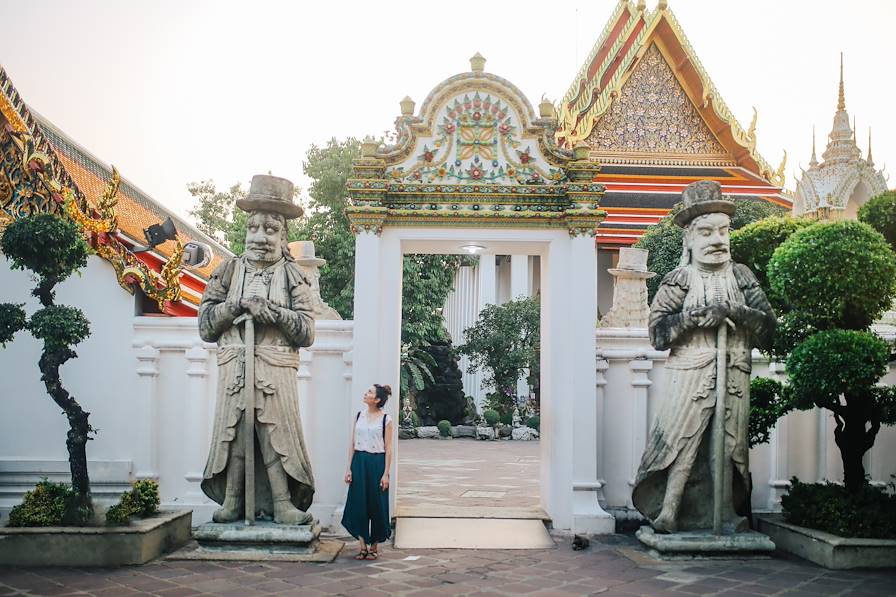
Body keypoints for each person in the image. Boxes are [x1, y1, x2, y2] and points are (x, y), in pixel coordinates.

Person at [632, 180, 775, 534]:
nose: (717, 240)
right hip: (690, 369)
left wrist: (734, 310)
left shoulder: (742, 277)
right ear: (689, 239)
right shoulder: (679, 279)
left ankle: (725, 512)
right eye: (707, 232)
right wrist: (696, 316)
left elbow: (770, 329)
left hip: (734, 369)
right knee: (681, 442)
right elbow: (657, 334)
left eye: (724, 231)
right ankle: (669, 509)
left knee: (727, 446)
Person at [198, 174, 316, 525]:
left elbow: (307, 331)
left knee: (273, 432)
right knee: (234, 433)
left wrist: (274, 313)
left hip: (274, 366)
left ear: (283, 236)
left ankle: (282, 502)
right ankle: (233, 500)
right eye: (254, 228)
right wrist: (235, 308)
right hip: (235, 363)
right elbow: (205, 325)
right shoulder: (229, 271)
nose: (261, 238)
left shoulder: (294, 276)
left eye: (270, 230)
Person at [342, 384, 394, 559]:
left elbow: (388, 447)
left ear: (377, 399)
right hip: (359, 462)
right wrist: (349, 468)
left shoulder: (386, 419)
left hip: (377, 462)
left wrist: (386, 473)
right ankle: (362, 546)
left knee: (377, 503)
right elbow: (352, 443)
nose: (366, 393)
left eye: (370, 392)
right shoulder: (359, 416)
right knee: (359, 503)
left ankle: (374, 547)